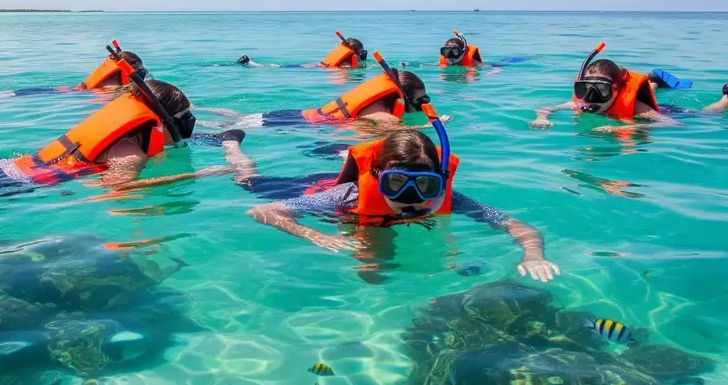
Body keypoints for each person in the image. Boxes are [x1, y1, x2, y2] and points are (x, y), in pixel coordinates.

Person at [237, 107, 560, 281]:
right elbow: (262, 212)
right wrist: (313, 234)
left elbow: (518, 226)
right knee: (247, 181)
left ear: (439, 181)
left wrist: (533, 254)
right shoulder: (346, 196)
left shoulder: (450, 199)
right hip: (311, 188)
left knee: (378, 269)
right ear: (377, 177)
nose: (410, 196)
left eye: (423, 186)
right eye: (396, 183)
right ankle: (231, 148)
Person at [0, 70, 248, 219]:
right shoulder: (132, 145)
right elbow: (116, 191)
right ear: (169, 119)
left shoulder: (129, 130)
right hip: (12, 181)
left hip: (6, 165)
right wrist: (197, 175)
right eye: (186, 116)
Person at [528, 42, 728, 131]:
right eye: (587, 90)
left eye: (602, 91)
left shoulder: (639, 108)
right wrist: (541, 118)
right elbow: (546, 107)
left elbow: (676, 125)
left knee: (706, 115)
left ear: (617, 89)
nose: (591, 99)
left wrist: (623, 127)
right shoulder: (582, 102)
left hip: (668, 112)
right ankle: (654, 81)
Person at [222, 57, 431, 132]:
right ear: (403, 99)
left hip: (297, 115)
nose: (423, 104)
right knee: (232, 126)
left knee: (239, 119)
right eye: (421, 100)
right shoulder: (380, 112)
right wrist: (431, 124)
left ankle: (200, 110)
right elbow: (393, 130)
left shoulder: (377, 105)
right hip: (299, 125)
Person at [0, 42, 147, 97]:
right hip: (48, 95)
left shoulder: (110, 80)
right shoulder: (114, 87)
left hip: (46, 91)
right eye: (141, 73)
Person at [236, 33, 368, 69]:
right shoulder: (346, 66)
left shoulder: (341, 63)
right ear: (353, 54)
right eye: (362, 53)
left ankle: (250, 63)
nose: (363, 56)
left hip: (310, 66)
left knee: (277, 67)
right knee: (275, 68)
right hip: (310, 68)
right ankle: (250, 64)